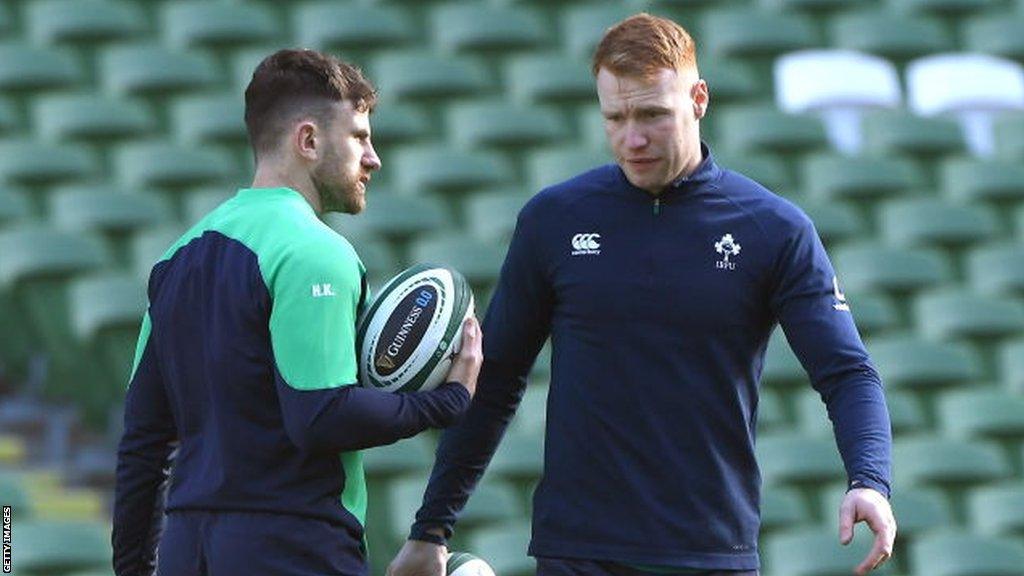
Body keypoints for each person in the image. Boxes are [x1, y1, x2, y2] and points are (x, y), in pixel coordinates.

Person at [388, 13, 895, 576]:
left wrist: (869, 480)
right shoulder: (554, 220)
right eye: (615, 117)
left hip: (709, 552)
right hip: (577, 551)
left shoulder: (773, 229)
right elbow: (497, 377)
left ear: (699, 99)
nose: (633, 138)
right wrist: (432, 528)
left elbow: (848, 373)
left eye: (653, 114)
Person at [111, 48, 483, 576]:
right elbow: (320, 416)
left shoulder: (175, 259)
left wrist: (131, 569)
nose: (373, 158)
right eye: (359, 137)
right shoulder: (315, 251)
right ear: (308, 140)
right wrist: (447, 402)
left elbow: (144, 443)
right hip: (291, 547)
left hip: (187, 550)